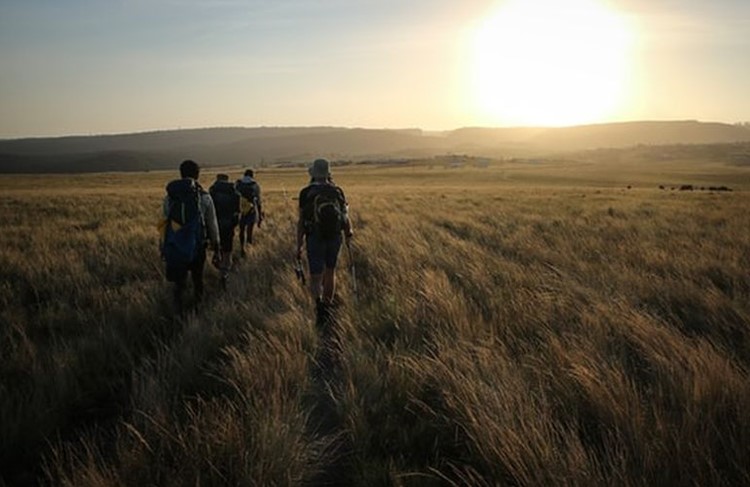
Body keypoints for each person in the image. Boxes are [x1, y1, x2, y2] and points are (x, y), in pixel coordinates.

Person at [161, 159, 220, 311]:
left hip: (175, 244)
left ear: (180, 174)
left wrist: (163, 247)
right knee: (197, 279)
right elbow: (212, 224)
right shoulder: (204, 197)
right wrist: (216, 246)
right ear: (197, 175)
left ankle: (177, 311)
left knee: (179, 283)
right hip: (197, 245)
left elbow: (164, 223)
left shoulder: (170, 198)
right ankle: (197, 310)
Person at [296, 158, 353, 315]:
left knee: (316, 275)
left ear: (313, 174)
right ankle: (328, 306)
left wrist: (299, 244)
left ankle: (318, 306)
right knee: (330, 271)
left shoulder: (306, 193)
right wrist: (348, 233)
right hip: (335, 236)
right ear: (328, 174)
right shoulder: (337, 191)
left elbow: (301, 221)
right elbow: (345, 216)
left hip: (314, 236)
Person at [209, 173, 240, 288]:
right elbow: (237, 212)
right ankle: (224, 273)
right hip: (228, 226)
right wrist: (234, 225)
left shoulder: (212, 192)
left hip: (215, 227)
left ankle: (219, 266)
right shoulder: (234, 193)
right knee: (227, 251)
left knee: (217, 249)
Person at [235, 169, 263, 256]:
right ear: (252, 175)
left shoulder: (238, 184)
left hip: (241, 210)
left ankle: (241, 248)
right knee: (249, 230)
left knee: (241, 230)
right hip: (251, 210)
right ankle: (249, 246)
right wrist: (260, 214)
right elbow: (258, 201)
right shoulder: (255, 185)